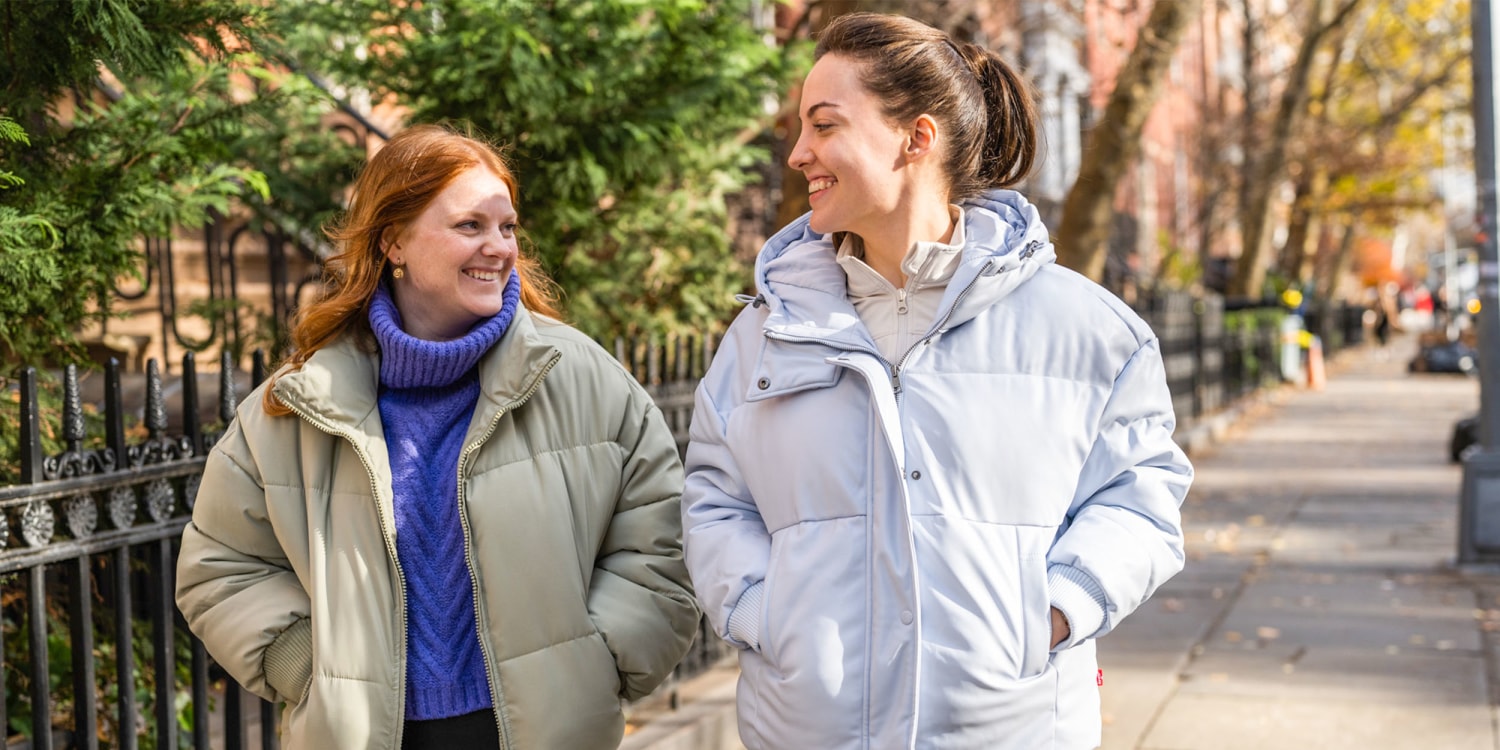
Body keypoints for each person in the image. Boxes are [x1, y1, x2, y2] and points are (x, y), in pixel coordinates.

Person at [681, 14, 1192, 750]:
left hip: (1007, 727)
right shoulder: (762, 336)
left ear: (916, 139)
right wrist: (768, 615)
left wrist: (1053, 612)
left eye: (824, 126)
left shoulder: (1087, 331)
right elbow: (714, 500)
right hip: (810, 729)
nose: (798, 154)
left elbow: (1140, 496)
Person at [176, 124, 699, 749]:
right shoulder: (298, 404)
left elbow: (663, 539)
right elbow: (219, 566)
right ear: (393, 241)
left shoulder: (581, 378)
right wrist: (309, 668)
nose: (499, 248)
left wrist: (594, 662)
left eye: (506, 227)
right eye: (470, 226)